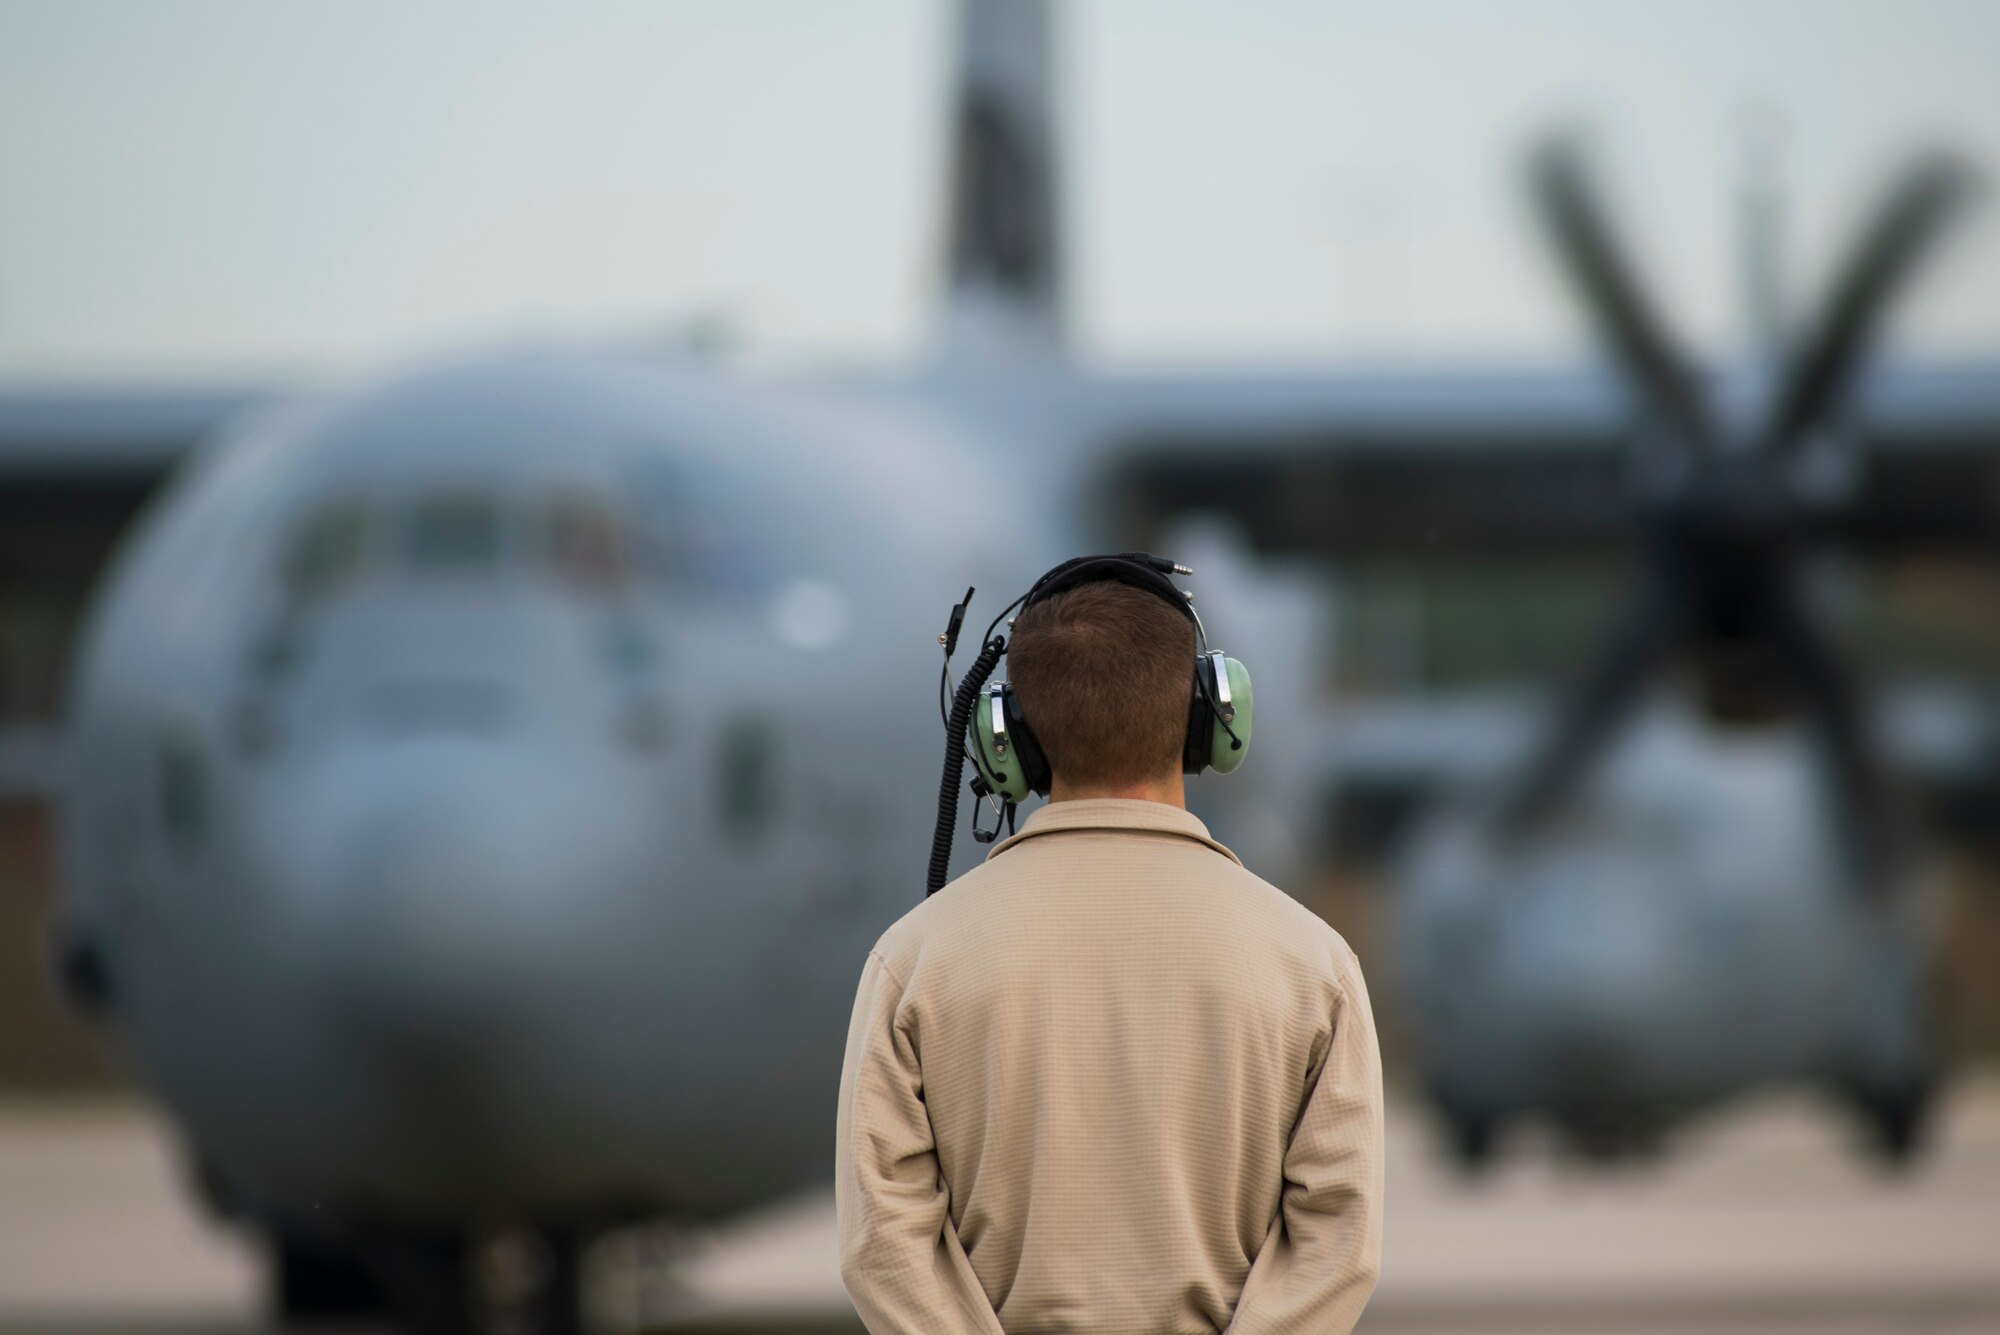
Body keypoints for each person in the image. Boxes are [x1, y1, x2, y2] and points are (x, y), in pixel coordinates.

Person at [835, 565, 1384, 1334]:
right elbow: (1337, 1238)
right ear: (1212, 717)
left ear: (1007, 739)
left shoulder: (913, 959)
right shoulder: (1314, 963)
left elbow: (882, 1241)